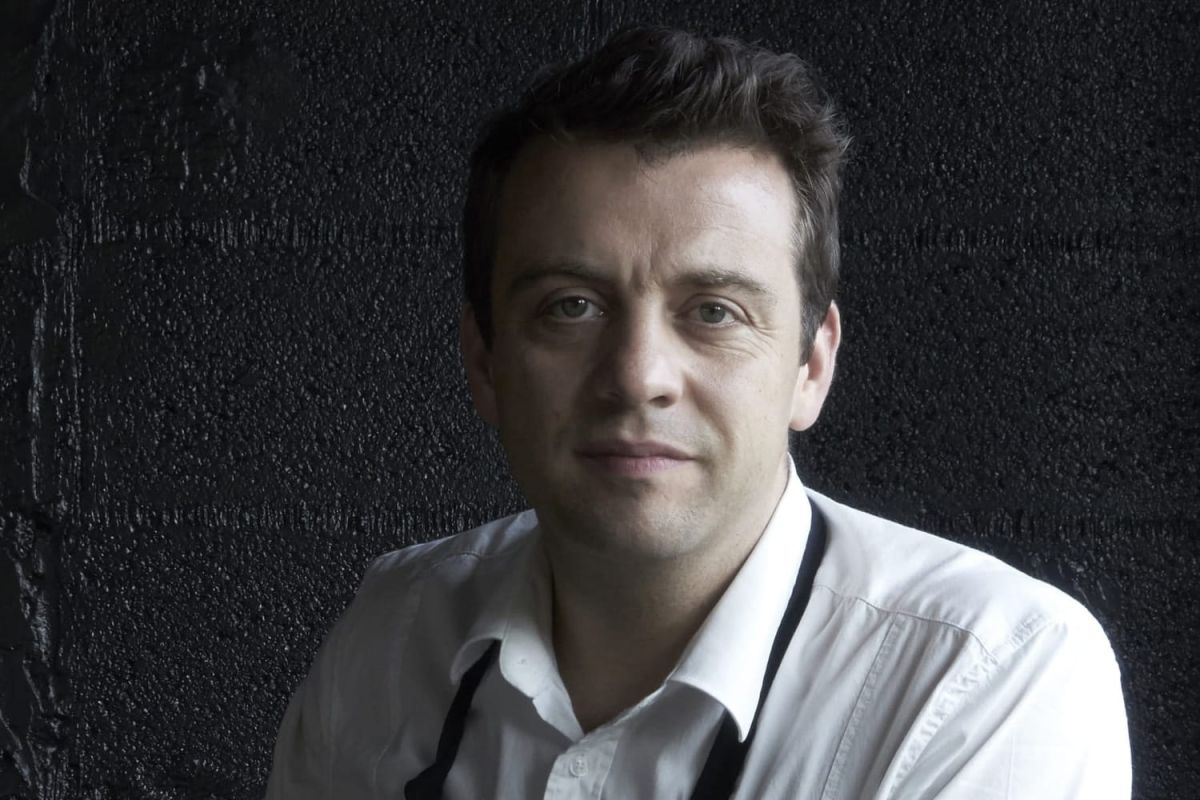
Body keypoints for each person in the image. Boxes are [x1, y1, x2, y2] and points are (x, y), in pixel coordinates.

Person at [266, 26, 1130, 799]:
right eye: (571, 306)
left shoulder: (987, 675)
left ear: (811, 365)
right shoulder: (394, 631)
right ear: (484, 361)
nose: (637, 377)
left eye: (715, 311)